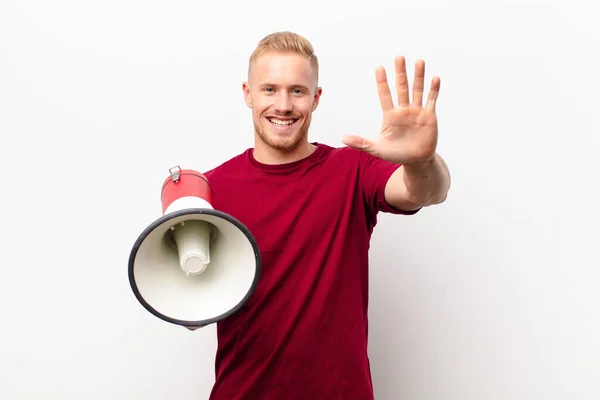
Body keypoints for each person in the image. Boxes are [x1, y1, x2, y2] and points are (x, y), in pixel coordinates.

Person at [201, 31, 451, 400]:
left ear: (316, 98)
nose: (283, 105)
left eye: (297, 91)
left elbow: (426, 191)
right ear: (247, 93)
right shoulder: (212, 189)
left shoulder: (351, 169)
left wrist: (422, 160)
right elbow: (191, 306)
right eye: (269, 89)